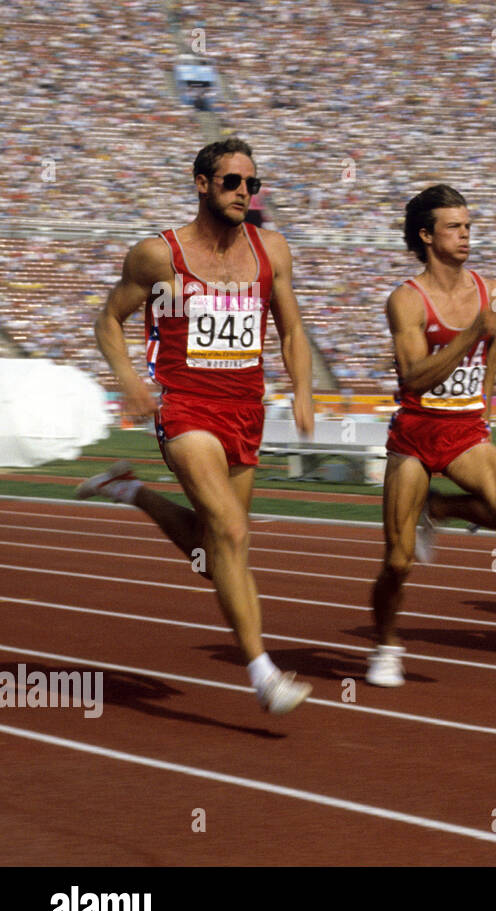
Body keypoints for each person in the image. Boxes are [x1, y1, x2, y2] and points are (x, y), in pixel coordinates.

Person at [78, 138, 314, 714]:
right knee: (232, 535)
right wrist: (131, 382)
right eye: (233, 182)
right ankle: (263, 673)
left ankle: (131, 491)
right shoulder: (159, 257)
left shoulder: (271, 251)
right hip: (186, 409)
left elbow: (290, 330)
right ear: (202, 183)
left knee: (217, 551)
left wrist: (304, 390)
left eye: (252, 184)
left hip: (246, 412)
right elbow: (109, 320)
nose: (244, 193)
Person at [368, 185, 496, 687]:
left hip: (465, 430)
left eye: (468, 226)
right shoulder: (405, 300)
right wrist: (470, 334)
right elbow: (413, 377)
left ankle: (438, 508)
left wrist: (482, 409)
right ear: (426, 235)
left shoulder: (490, 290)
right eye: (454, 227)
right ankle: (385, 645)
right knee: (397, 561)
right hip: (416, 434)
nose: (466, 235)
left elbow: (494, 351)